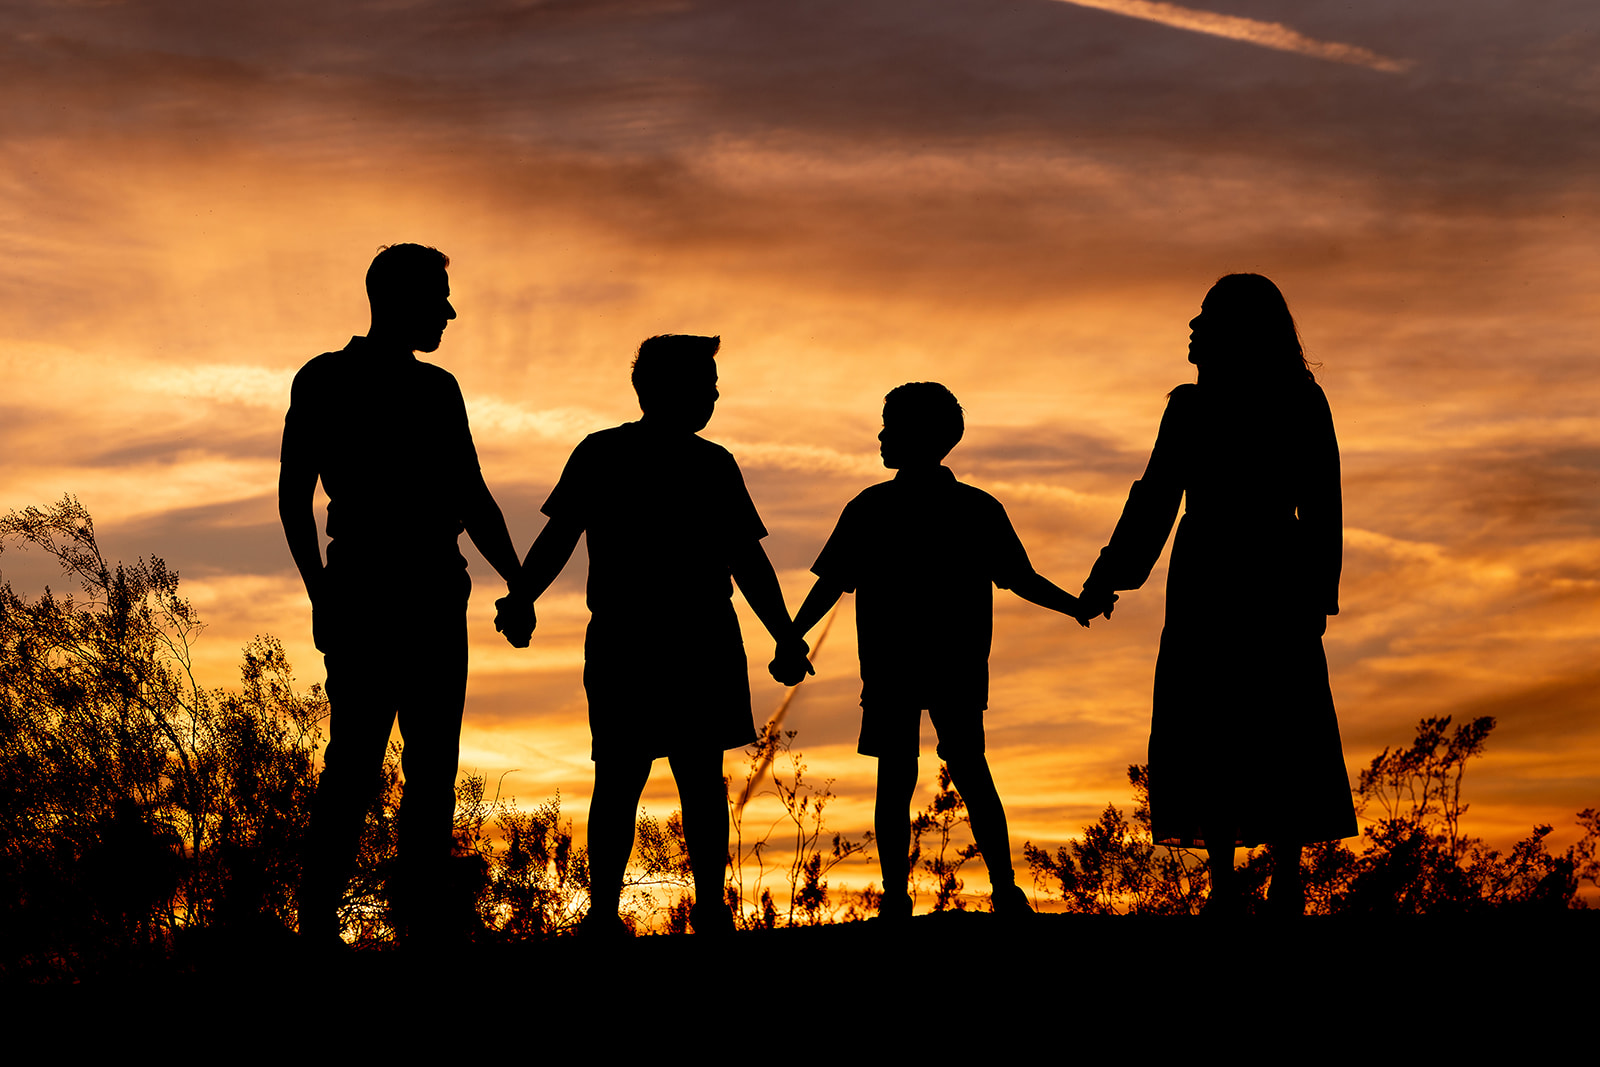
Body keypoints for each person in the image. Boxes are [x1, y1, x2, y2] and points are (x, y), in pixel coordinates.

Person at [493, 334, 804, 936]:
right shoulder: (664, 460)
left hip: (668, 637)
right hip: (657, 638)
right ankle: (641, 912)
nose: (714, 395)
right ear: (667, 389)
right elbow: (560, 539)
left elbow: (746, 559)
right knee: (646, 776)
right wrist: (522, 594)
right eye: (705, 385)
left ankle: (679, 909)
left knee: (655, 777)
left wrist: (785, 633)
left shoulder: (684, 461)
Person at [1077, 273, 1357, 916]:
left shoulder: (1267, 404)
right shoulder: (1229, 405)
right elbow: (1155, 498)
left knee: (1256, 715)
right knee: (1235, 715)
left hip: (1242, 571)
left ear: (1236, 330)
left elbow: (1322, 503)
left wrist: (1317, 592)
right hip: (1242, 571)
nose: (1193, 327)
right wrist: (1109, 575)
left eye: (1206, 317)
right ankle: (1238, 882)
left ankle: (1267, 879)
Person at [771, 382, 1095, 920]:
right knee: (950, 772)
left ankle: (961, 892)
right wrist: (791, 635)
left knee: (924, 774)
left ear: (920, 436)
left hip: (915, 665)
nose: (880, 436)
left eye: (890, 426)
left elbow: (1018, 577)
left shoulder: (884, 507)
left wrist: (792, 636)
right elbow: (1019, 578)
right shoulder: (956, 507)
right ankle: (971, 891)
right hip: (936, 665)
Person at [280, 243, 525, 945]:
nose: (449, 310)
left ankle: (419, 920)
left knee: (432, 766)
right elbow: (295, 495)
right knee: (355, 760)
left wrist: (518, 578)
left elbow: (471, 496)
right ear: (393, 298)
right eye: (437, 296)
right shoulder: (325, 379)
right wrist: (320, 592)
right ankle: (319, 921)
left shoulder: (438, 390)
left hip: (434, 591)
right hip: (363, 589)